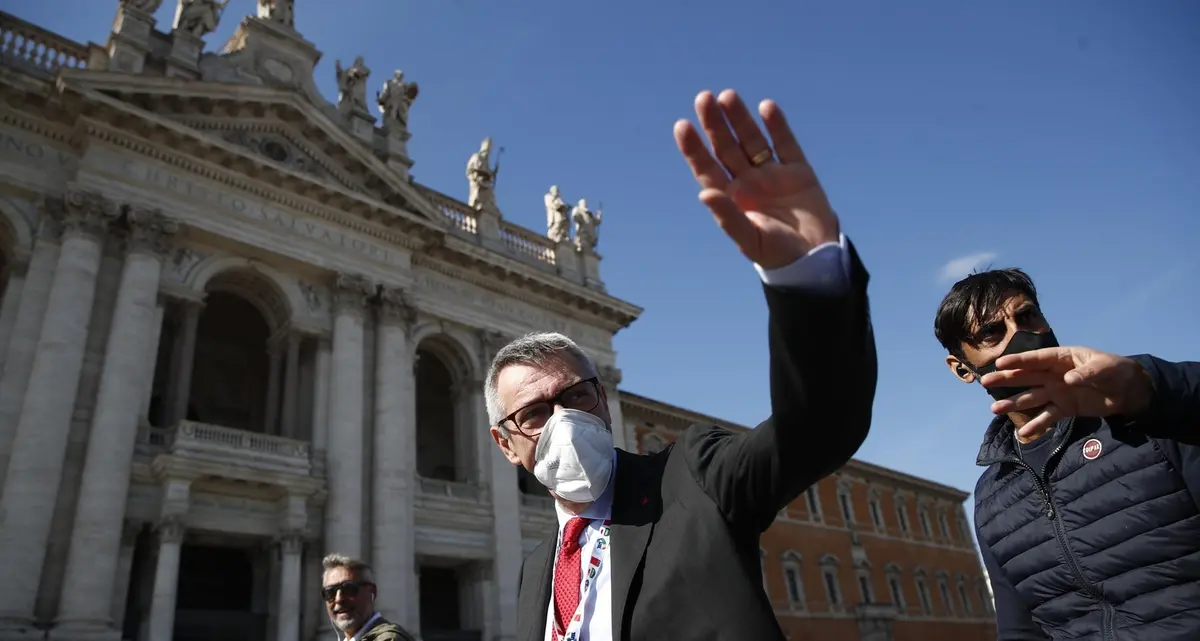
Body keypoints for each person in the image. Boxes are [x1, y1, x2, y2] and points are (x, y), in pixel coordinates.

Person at [485, 89, 877, 640]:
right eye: (535, 412)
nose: (564, 421)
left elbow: (819, 427)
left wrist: (808, 281)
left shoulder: (691, 482)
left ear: (602, 399)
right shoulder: (534, 572)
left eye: (576, 395)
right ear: (505, 442)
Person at [934, 268, 1200, 640]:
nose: (1020, 335)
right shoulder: (992, 496)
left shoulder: (1143, 414)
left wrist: (1152, 384)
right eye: (992, 332)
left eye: (1026, 316)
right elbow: (1020, 630)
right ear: (962, 368)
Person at [321, 554, 417, 641]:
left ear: (372, 592)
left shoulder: (389, 639)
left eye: (349, 589)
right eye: (330, 592)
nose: (338, 599)